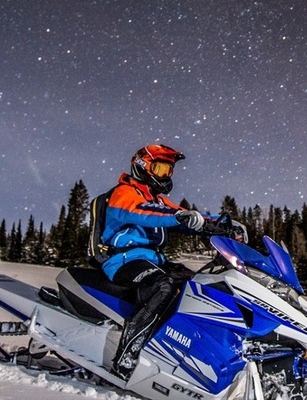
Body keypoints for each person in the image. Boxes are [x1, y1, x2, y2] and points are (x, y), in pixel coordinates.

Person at [97, 143, 233, 380]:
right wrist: (179, 216)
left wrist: (221, 225)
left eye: (168, 171)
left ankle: (194, 354)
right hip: (123, 261)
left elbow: (184, 216)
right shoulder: (125, 193)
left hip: (154, 260)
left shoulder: (156, 200)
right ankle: (127, 356)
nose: (165, 176)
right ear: (142, 166)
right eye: (160, 169)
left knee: (201, 285)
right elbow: (143, 212)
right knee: (164, 286)